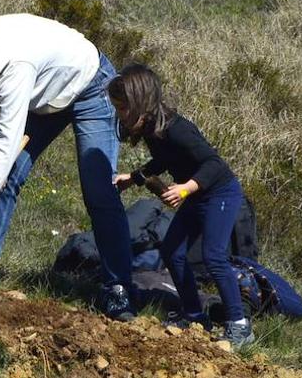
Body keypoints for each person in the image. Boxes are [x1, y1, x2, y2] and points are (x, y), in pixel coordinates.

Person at [0, 12, 136, 320]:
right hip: (43, 92)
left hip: (90, 83)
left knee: (99, 191)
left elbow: (5, 142)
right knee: (5, 178)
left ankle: (118, 290)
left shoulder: (12, 66)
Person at [108, 63, 255, 348]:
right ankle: (195, 315)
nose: (120, 114)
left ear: (141, 102)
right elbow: (165, 161)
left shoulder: (177, 130)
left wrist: (186, 188)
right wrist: (134, 177)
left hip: (220, 194)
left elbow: (214, 164)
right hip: (197, 195)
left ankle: (240, 326)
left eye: (124, 107)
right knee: (172, 253)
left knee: (214, 257)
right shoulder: (154, 130)